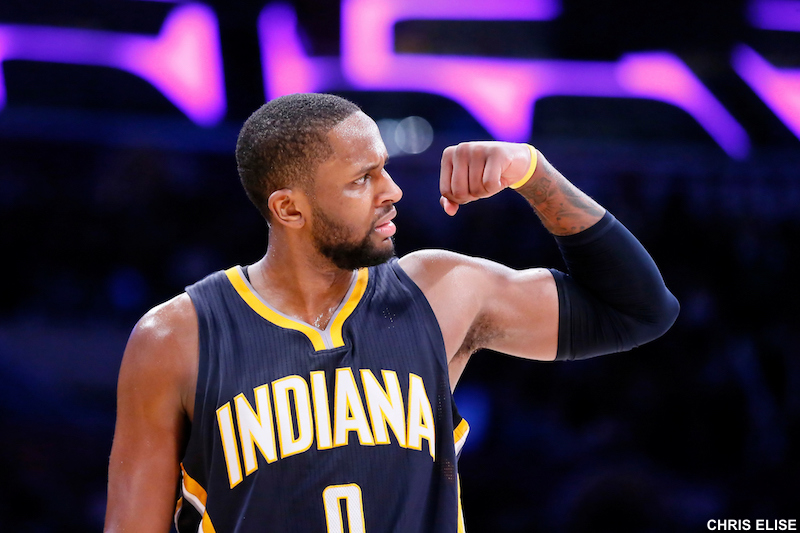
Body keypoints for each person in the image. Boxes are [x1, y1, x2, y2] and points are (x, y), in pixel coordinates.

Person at [104, 93, 679, 533]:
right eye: (363, 179)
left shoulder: (440, 291)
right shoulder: (176, 338)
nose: (393, 190)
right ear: (289, 209)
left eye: (383, 167)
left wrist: (533, 173)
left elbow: (639, 311)